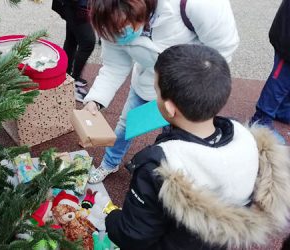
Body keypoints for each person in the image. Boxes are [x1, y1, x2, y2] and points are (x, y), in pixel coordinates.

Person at [103, 44, 290, 250]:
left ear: (169, 108)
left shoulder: (159, 164)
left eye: (156, 91)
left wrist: (112, 218)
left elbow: (133, 235)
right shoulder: (245, 138)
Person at [83, 0, 240, 183]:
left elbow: (222, 50)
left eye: (122, 26)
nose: (119, 34)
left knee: (178, 140)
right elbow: (114, 65)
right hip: (146, 82)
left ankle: (172, 179)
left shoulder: (198, 5)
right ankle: (110, 163)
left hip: (186, 89)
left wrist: (193, 94)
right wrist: (96, 100)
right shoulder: (112, 21)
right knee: (127, 126)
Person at [250, 0, 289, 144]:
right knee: (280, 81)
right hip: (287, 41)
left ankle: (283, 111)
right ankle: (261, 120)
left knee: (285, 82)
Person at [52, 0, 96, 102]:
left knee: (72, 39)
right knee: (88, 43)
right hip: (75, 5)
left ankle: (65, 76)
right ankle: (73, 84)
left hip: (74, 5)